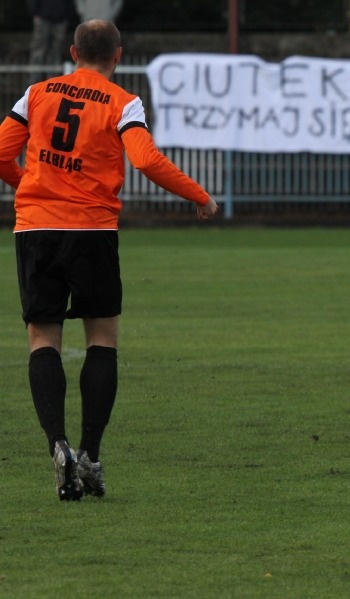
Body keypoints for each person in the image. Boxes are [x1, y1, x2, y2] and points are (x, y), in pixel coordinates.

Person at [0, 19, 218, 501]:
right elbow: (145, 160)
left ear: (73, 51)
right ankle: (90, 456)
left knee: (43, 339)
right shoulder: (123, 101)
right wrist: (199, 195)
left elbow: (1, 153)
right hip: (92, 231)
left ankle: (56, 444)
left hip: (36, 228)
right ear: (117, 56)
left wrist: (33, 189)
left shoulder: (34, 93)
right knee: (101, 339)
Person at [27, 0, 75, 84]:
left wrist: (67, 14)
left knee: (56, 51)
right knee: (39, 50)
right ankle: (34, 80)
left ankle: (53, 80)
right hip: (43, 16)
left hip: (60, 17)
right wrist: (35, 13)